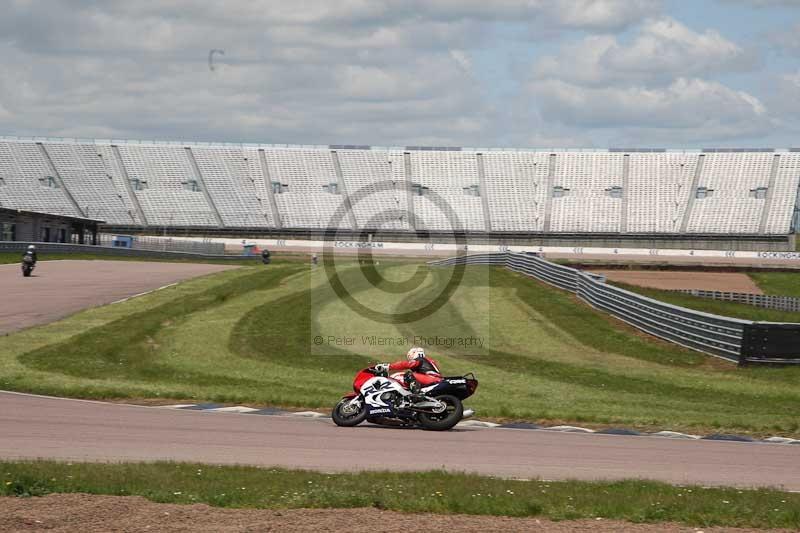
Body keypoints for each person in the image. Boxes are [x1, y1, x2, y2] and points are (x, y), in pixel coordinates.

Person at [374, 347, 442, 393]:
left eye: (410, 356)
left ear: (414, 353)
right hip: (433, 379)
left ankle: (416, 394)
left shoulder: (420, 359)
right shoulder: (428, 360)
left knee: (408, 375)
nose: (410, 358)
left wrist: (388, 366)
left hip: (431, 378)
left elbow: (405, 364)